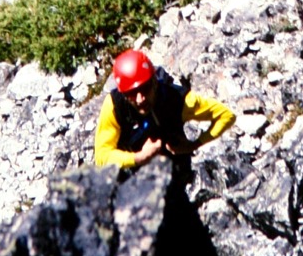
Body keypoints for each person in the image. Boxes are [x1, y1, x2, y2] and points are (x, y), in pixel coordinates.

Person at [94, 48, 235, 168]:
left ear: (155, 82)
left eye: (145, 88)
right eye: (131, 93)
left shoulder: (179, 99)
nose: (140, 99)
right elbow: (101, 155)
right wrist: (138, 158)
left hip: (172, 175)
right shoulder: (114, 106)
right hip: (131, 177)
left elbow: (225, 115)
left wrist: (195, 144)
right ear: (123, 94)